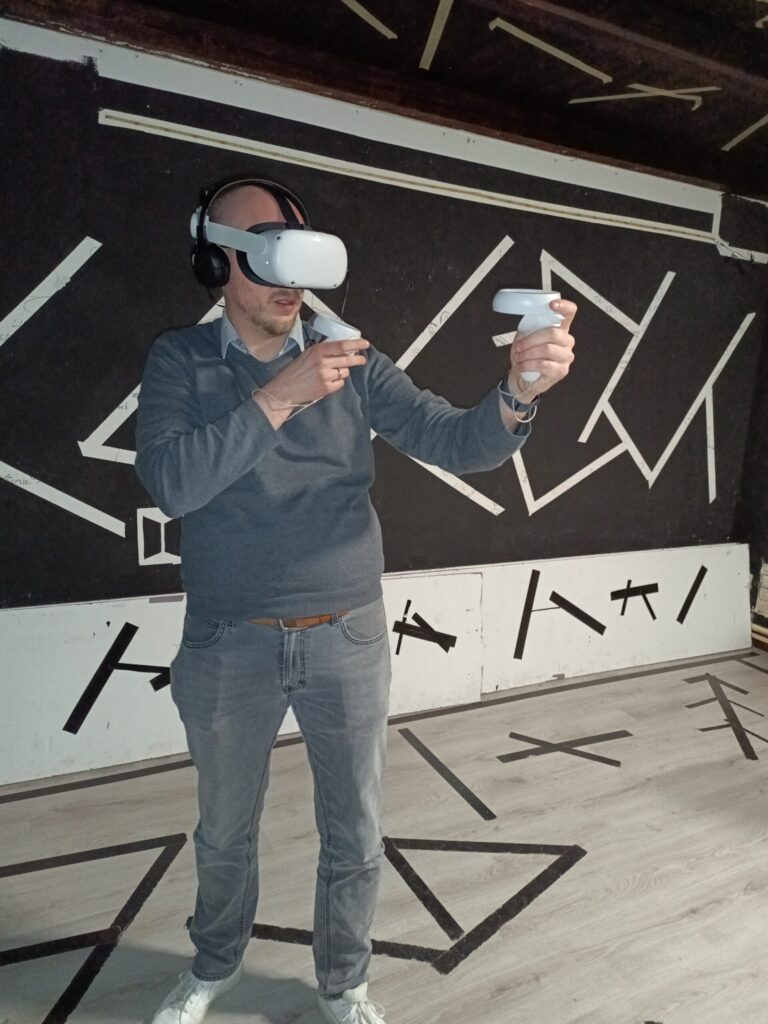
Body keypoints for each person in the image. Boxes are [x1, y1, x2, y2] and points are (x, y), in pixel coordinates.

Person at [135, 176, 576, 1024]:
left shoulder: (352, 358)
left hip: (347, 635)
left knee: (356, 832)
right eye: (266, 255)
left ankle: (343, 982)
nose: (289, 280)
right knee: (224, 831)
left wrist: (518, 393)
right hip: (229, 639)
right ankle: (214, 965)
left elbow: (455, 439)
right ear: (217, 260)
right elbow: (171, 484)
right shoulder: (180, 359)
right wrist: (280, 397)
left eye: (299, 255)